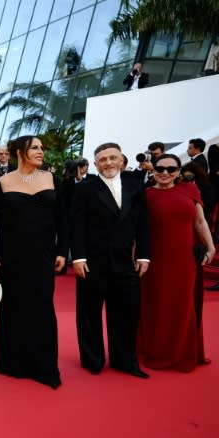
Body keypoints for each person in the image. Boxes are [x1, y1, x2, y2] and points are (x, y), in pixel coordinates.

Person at [71, 142, 151, 379]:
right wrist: (78, 257)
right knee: (89, 314)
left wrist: (144, 255)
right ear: (95, 164)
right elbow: (76, 225)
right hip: (92, 262)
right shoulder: (85, 188)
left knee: (126, 314)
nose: (108, 163)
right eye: (103, 159)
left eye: (112, 158)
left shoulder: (135, 186)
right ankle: (93, 359)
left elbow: (143, 224)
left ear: (121, 160)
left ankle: (125, 360)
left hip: (125, 262)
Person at [0, 136, 68, 389]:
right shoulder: (3, 182)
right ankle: (14, 361)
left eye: (41, 148)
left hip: (43, 255)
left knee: (43, 306)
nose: (41, 152)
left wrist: (61, 251)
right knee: (14, 306)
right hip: (12, 256)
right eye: (35, 147)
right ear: (20, 152)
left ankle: (44, 365)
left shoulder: (51, 179)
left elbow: (63, 220)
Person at [137, 154, 215, 372]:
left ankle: (181, 351)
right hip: (155, 259)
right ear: (153, 170)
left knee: (181, 304)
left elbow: (200, 222)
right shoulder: (145, 195)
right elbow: (137, 229)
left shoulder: (190, 190)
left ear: (179, 171)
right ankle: (156, 350)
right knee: (157, 304)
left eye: (171, 169)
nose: (165, 173)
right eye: (160, 168)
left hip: (184, 259)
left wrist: (211, 246)